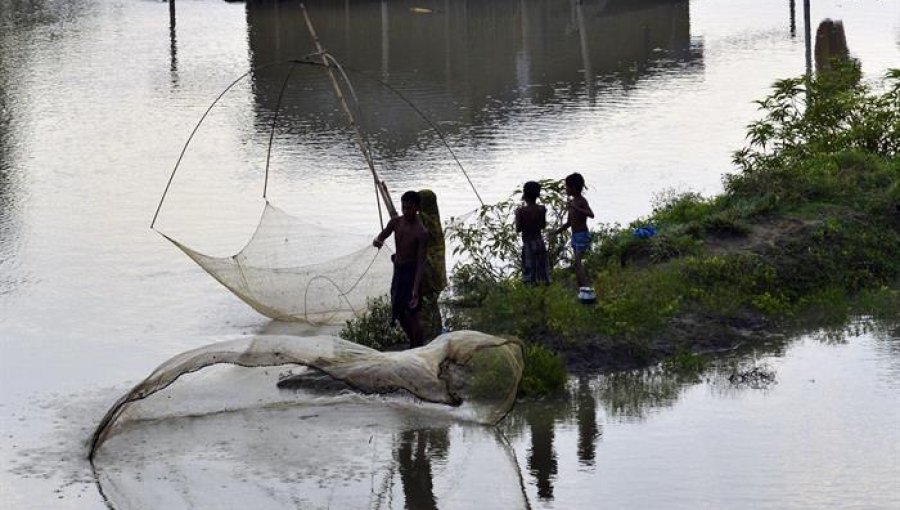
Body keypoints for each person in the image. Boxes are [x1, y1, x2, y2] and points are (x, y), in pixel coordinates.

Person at [373, 191, 429, 347]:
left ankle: (418, 345)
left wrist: (416, 289)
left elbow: (421, 262)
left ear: (417, 208)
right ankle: (413, 342)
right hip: (398, 271)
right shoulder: (396, 222)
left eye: (409, 208)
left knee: (412, 313)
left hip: (412, 274)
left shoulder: (421, 232)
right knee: (398, 310)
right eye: (404, 208)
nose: (406, 211)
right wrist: (378, 241)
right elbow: (382, 236)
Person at [553, 172, 595, 302]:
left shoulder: (581, 201)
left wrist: (576, 207)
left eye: (567, 187)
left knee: (577, 263)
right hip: (575, 236)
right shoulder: (572, 203)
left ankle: (588, 290)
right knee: (577, 265)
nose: (566, 189)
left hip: (582, 235)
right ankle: (582, 292)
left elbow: (591, 214)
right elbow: (569, 223)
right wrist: (556, 232)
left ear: (575, 188)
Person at [417, 189, 447, 341]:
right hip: (437, 274)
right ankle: (434, 335)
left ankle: (430, 338)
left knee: (426, 307)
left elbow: (402, 220)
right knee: (432, 306)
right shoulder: (434, 218)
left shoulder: (424, 220)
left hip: (429, 272)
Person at [515, 181, 551, 284]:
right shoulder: (542, 209)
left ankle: (531, 296)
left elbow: (518, 229)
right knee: (542, 272)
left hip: (528, 245)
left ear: (525, 194)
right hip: (540, 243)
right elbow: (543, 226)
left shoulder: (521, 211)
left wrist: (517, 216)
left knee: (529, 274)